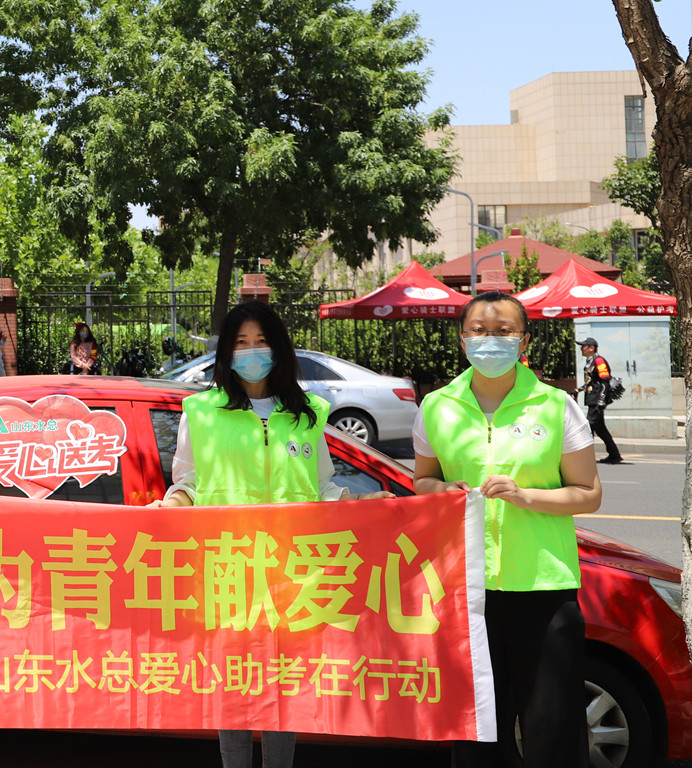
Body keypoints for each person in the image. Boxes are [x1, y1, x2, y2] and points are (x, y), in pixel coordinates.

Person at [148, 300, 391, 768]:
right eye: (241, 342)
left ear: (278, 348)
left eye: (261, 341)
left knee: (286, 685)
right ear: (226, 351)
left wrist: (358, 503)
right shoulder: (201, 411)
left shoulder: (308, 413)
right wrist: (172, 504)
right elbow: (188, 483)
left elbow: (322, 487)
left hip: (291, 573)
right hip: (229, 570)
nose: (252, 351)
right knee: (233, 688)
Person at [413, 290, 600, 768]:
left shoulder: (555, 405)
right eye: (478, 331)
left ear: (524, 340)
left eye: (503, 331)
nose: (490, 340)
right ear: (462, 340)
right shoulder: (436, 406)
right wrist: (443, 489)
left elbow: (588, 493)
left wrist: (525, 496)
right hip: (466, 591)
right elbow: (422, 480)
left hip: (543, 587)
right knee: (477, 732)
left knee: (552, 730)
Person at [576, 337, 622, 464]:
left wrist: (601, 399)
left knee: (588, 427)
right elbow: (592, 382)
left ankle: (585, 456)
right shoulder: (590, 361)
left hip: (597, 400)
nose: (581, 349)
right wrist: (578, 390)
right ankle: (614, 454)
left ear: (591, 348)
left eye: (583, 346)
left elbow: (605, 381)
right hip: (592, 398)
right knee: (600, 429)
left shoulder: (599, 361)